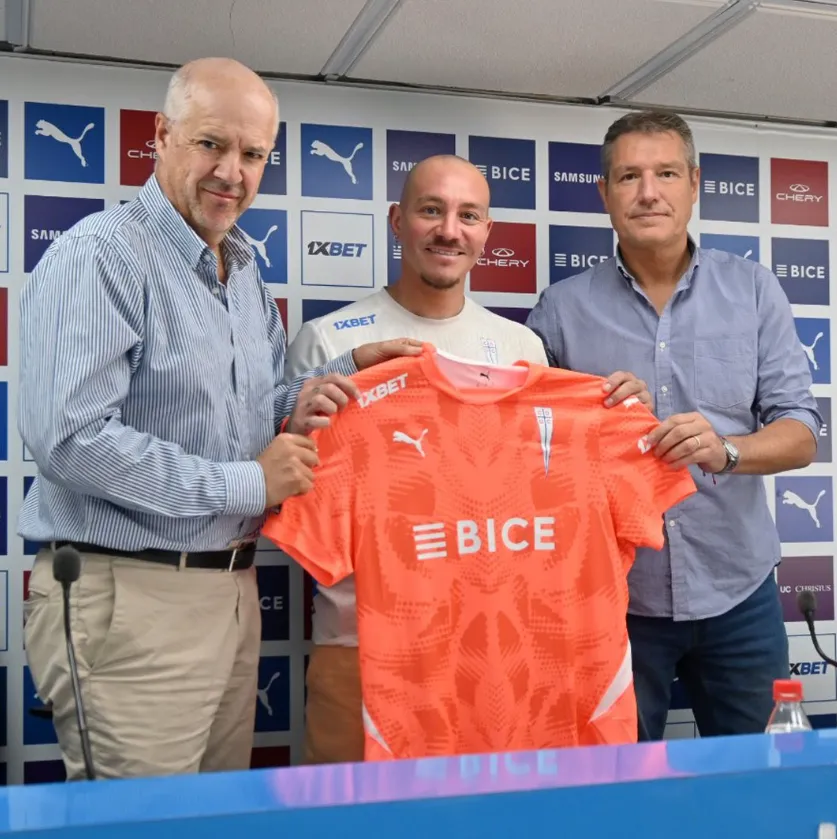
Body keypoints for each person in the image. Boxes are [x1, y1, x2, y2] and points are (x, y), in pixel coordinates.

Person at [18, 56, 421, 781]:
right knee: (142, 826)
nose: (232, 172)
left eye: (253, 154)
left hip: (228, 592)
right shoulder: (101, 255)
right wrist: (249, 483)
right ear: (160, 136)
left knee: (211, 817)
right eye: (211, 144)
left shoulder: (243, 269)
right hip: (131, 595)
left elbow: (257, 406)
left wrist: (336, 378)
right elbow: (70, 439)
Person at [283, 153, 653, 764]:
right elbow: (291, 493)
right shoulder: (330, 341)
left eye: (468, 215)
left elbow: (554, 485)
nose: (449, 230)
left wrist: (620, 418)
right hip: (362, 649)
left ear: (487, 232)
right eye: (431, 210)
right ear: (397, 221)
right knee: (355, 812)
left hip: (500, 653)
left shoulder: (521, 347)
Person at [526, 109, 821, 741]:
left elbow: (802, 431)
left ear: (694, 183)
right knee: (617, 782)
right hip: (614, 599)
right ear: (604, 193)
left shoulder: (754, 290)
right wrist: (592, 427)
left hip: (738, 592)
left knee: (759, 778)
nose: (648, 192)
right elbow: (528, 456)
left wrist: (727, 450)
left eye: (665, 174)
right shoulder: (560, 309)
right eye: (628, 176)